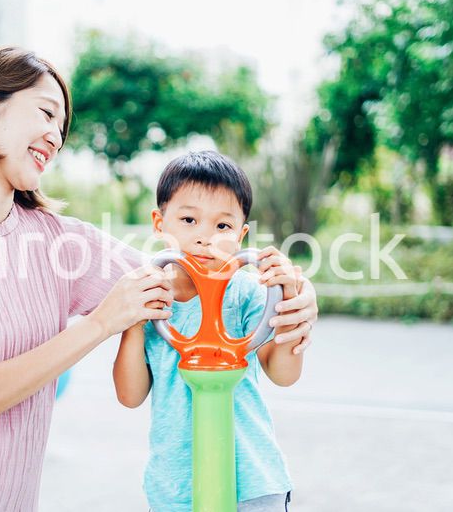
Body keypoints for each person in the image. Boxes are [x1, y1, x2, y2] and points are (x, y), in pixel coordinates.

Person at [0, 47, 318, 511]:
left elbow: (192, 277)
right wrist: (100, 324)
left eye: (61, 127)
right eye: (46, 113)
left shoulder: (59, 242)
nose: (55, 136)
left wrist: (298, 292)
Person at [113, 151, 316, 512]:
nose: (205, 237)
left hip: (251, 483)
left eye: (222, 226)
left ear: (241, 234)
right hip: (177, 489)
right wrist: (132, 324)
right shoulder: (150, 299)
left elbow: (283, 375)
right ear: (159, 223)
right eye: (189, 219)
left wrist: (289, 302)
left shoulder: (246, 293)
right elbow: (130, 395)